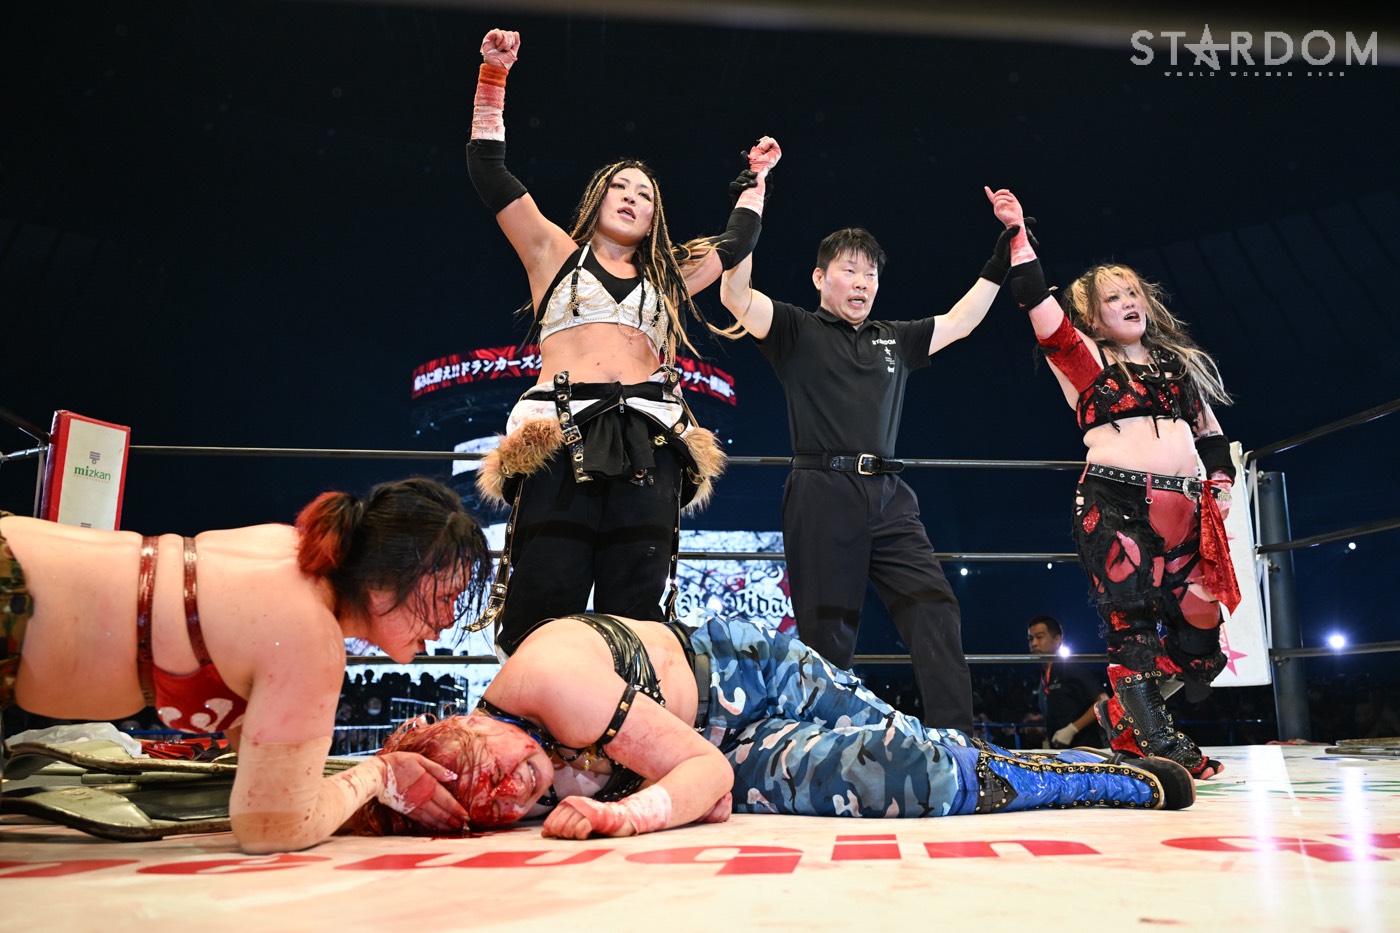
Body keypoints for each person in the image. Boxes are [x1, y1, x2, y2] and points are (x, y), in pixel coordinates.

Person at [464, 28, 780, 655]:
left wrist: (756, 180)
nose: (633, 198)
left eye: (646, 195)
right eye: (622, 188)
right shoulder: (553, 253)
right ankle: (535, 711)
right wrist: (492, 77)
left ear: (655, 216)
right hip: (561, 429)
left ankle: (628, 715)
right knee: (544, 588)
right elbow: (488, 169)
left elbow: (736, 241)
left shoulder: (668, 277)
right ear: (597, 197)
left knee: (637, 600)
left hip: (649, 436)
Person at [344, 612, 1195, 839]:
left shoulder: (547, 678)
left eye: (491, 767)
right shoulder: (474, 779)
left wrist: (626, 813)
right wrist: (384, 779)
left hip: (746, 673)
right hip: (720, 749)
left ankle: (1084, 764)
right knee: (906, 774)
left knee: (906, 727)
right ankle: (1095, 777)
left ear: (472, 720)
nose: (509, 791)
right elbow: (314, 801)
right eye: (490, 803)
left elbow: (703, 781)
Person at [0, 476, 491, 853]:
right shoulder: (309, 635)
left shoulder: (283, 545)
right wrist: (380, 774)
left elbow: (269, 775)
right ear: (389, 581)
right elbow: (273, 827)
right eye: (443, 597)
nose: (447, 622)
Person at [715, 213, 1021, 734]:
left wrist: (999, 261)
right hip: (821, 489)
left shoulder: (894, 338)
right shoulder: (796, 328)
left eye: (871, 274)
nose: (862, 283)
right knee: (828, 631)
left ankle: (958, 741)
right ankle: (825, 743)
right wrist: (750, 212)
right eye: (850, 271)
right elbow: (736, 297)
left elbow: (961, 321)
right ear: (820, 277)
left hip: (889, 493)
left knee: (934, 604)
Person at [986, 186, 1241, 779]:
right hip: (1116, 501)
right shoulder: (1083, 359)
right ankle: (1160, 743)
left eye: (1132, 293)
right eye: (1113, 298)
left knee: (1203, 640)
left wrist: (1222, 482)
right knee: (1133, 626)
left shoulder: (1177, 366)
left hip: (1186, 509)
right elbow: (1035, 302)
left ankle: (1125, 718)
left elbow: (1210, 436)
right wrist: (1018, 236)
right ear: (1093, 315)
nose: (1128, 303)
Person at [1027, 615, 1108, 749]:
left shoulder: (1071, 668)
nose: (1034, 643)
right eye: (1030, 639)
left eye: (1039, 637)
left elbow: (1103, 701)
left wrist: (1073, 729)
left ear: (1057, 639)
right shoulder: (1043, 676)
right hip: (1059, 751)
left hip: (1084, 750)